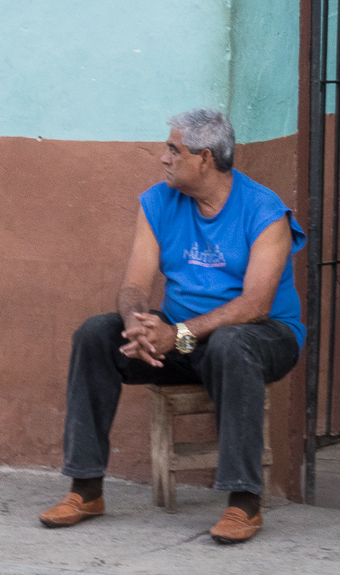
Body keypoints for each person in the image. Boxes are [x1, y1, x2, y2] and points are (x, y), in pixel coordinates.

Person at [39, 108, 305, 545]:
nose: (163, 158)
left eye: (172, 149)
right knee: (95, 334)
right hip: (180, 333)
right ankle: (85, 491)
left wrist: (178, 335)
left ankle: (244, 503)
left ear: (204, 158)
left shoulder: (264, 210)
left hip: (264, 335)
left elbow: (255, 305)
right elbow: (134, 285)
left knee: (232, 345)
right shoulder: (158, 201)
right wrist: (136, 324)